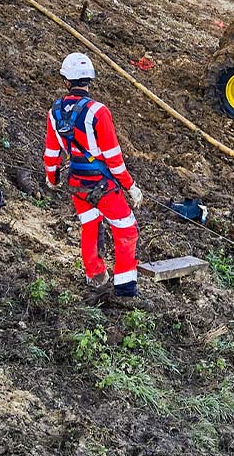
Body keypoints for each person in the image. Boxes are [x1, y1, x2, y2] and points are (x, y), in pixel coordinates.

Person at [43, 53, 146, 297]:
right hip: (102, 185)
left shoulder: (54, 112)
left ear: (65, 81)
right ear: (89, 80)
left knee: (90, 224)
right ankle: (125, 285)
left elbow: (51, 154)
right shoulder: (98, 112)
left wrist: (52, 178)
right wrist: (130, 187)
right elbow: (114, 158)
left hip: (77, 183)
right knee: (127, 229)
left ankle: (95, 275)